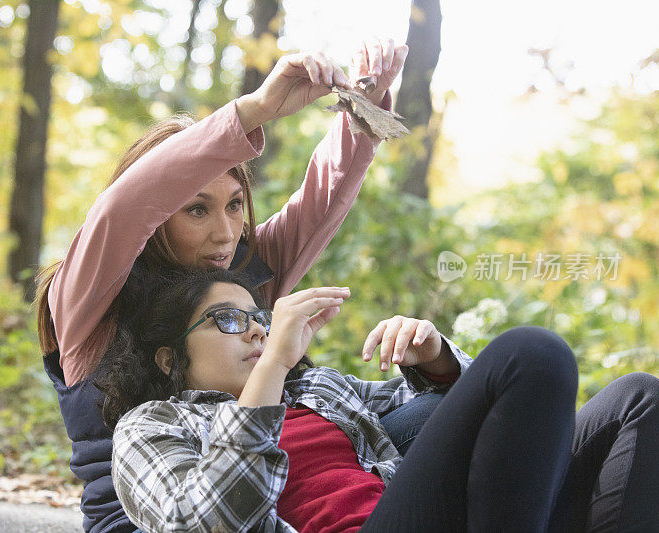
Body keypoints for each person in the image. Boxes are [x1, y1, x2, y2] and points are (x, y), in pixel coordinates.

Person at [34, 39, 410, 532]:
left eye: (235, 204)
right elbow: (121, 210)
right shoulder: (90, 297)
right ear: (156, 217)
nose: (227, 233)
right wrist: (255, 110)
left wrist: (363, 104)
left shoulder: (242, 280)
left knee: (438, 414)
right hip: (160, 519)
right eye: (196, 209)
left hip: (263, 502)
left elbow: (320, 200)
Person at [102, 268, 659, 533]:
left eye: (260, 320)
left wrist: (435, 355)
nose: (254, 332)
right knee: (531, 351)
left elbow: (464, 406)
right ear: (169, 358)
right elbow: (210, 524)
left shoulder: (318, 391)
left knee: (636, 398)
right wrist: (273, 365)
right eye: (228, 320)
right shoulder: (152, 428)